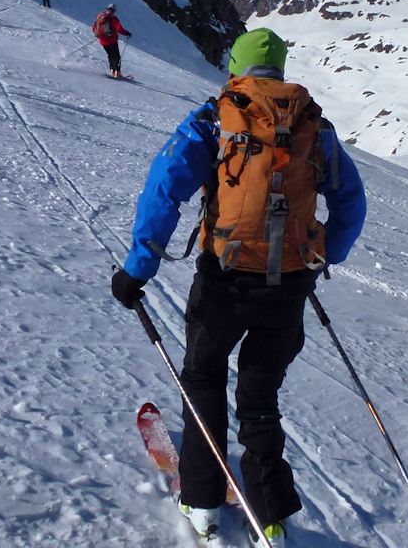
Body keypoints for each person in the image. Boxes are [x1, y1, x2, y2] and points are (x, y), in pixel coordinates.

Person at [111, 28, 367, 547]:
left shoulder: (213, 119)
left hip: (224, 280)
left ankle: (202, 500)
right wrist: (320, 259)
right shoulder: (314, 128)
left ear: (235, 67)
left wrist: (139, 268)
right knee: (259, 395)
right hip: (288, 285)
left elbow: (164, 191)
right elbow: (352, 204)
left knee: (203, 376)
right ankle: (269, 513)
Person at [92, 4, 131, 77]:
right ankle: (117, 72)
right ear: (114, 11)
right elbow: (119, 29)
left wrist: (99, 35)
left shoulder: (100, 16)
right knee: (116, 56)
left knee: (110, 55)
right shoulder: (113, 18)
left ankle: (112, 70)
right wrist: (127, 33)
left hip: (102, 41)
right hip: (111, 40)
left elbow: (94, 27)